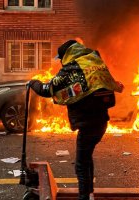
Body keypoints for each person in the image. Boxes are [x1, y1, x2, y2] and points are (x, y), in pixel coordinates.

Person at [29, 40, 124, 200]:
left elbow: (48, 89)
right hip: (101, 121)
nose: (61, 62)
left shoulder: (71, 69)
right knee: (86, 157)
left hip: (88, 123)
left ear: (67, 55)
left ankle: (84, 197)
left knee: (80, 165)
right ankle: (89, 193)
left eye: (61, 58)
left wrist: (33, 83)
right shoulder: (94, 61)